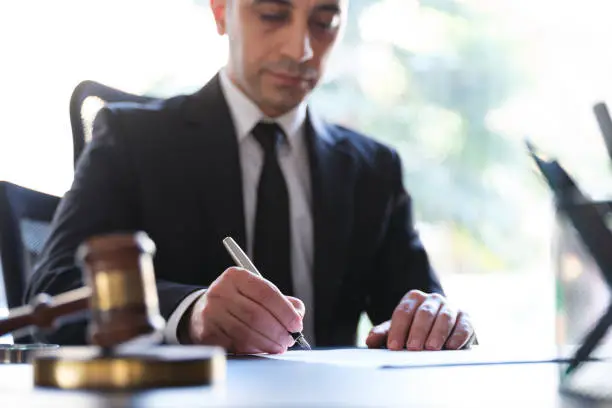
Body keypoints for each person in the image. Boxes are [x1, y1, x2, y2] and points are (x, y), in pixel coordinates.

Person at [26, 0, 475, 353]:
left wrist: (437, 319)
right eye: (273, 14)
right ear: (221, 11)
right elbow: (52, 290)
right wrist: (191, 313)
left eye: (324, 22)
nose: (300, 50)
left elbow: (416, 309)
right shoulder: (131, 138)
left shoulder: (373, 169)